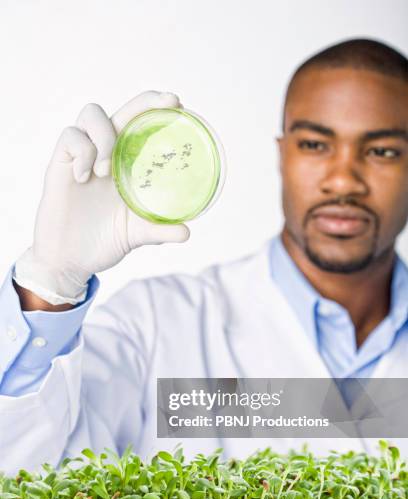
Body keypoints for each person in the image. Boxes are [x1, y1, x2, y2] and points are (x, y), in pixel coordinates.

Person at [1, 38, 407, 475]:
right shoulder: (156, 326)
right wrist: (51, 284)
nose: (343, 181)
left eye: (382, 151)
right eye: (314, 144)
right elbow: (27, 478)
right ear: (282, 153)